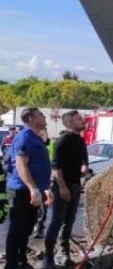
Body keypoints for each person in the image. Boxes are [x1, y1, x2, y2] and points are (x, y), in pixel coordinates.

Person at [5, 107, 52, 269]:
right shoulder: (24, 137)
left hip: (33, 190)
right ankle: (12, 264)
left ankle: (21, 261)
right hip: (21, 190)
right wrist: (33, 188)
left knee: (26, 229)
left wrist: (44, 188)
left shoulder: (36, 138)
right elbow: (21, 165)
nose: (44, 116)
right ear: (31, 118)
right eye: (40, 115)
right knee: (17, 229)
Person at [43, 111, 88, 269]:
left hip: (75, 187)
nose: (83, 121)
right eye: (78, 119)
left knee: (69, 222)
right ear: (69, 123)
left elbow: (84, 160)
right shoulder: (62, 141)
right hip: (62, 187)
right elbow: (56, 167)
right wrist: (62, 187)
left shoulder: (80, 141)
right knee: (57, 221)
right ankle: (48, 257)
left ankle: (64, 252)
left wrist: (84, 167)